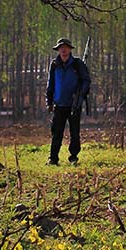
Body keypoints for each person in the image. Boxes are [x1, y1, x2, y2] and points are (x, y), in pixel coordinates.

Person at [46, 37, 91, 166]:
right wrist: (49, 101)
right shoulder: (54, 65)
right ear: (58, 50)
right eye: (61, 48)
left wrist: (80, 95)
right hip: (59, 104)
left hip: (74, 105)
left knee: (74, 133)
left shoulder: (77, 64)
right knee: (56, 133)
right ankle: (53, 159)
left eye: (65, 47)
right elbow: (51, 84)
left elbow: (86, 81)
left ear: (70, 49)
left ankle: (73, 157)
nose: (63, 50)